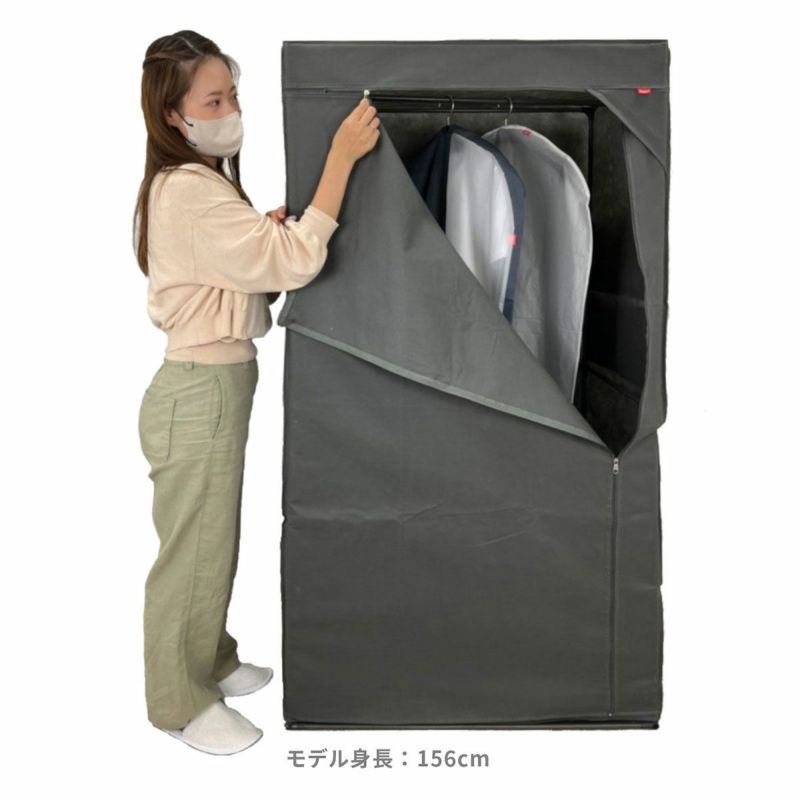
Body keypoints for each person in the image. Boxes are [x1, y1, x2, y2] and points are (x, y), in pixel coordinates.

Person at [133, 30, 380, 756]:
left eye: (233, 96)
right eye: (213, 101)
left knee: (213, 542)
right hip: (199, 392)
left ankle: (211, 661)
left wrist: (259, 241)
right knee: (192, 554)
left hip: (216, 386)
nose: (231, 111)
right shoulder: (186, 190)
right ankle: (179, 703)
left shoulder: (203, 183)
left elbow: (254, 273)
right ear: (173, 115)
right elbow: (296, 263)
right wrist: (340, 159)